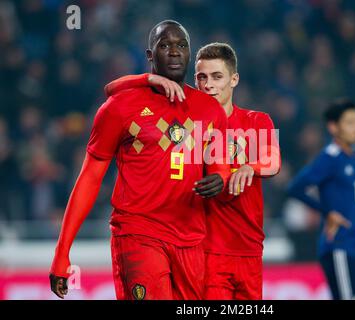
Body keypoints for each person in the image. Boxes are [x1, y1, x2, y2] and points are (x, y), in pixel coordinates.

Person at [49, 20, 229, 300]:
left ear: (190, 54)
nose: (173, 52)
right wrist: (62, 252)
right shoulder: (120, 107)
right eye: (165, 45)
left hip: (191, 241)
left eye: (181, 45)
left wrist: (220, 177)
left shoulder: (210, 110)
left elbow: (218, 164)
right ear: (149, 55)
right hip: (138, 234)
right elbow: (89, 178)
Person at [105, 42, 281, 300]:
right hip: (207, 251)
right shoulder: (190, 125)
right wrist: (149, 78)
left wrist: (249, 167)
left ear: (234, 79)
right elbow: (112, 89)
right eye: (202, 77)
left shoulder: (257, 121)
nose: (208, 84)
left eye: (217, 76)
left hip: (250, 250)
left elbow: (273, 161)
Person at [287, 99, 355, 300]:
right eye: (350, 123)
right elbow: (295, 187)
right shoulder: (329, 158)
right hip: (339, 245)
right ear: (333, 127)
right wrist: (327, 211)